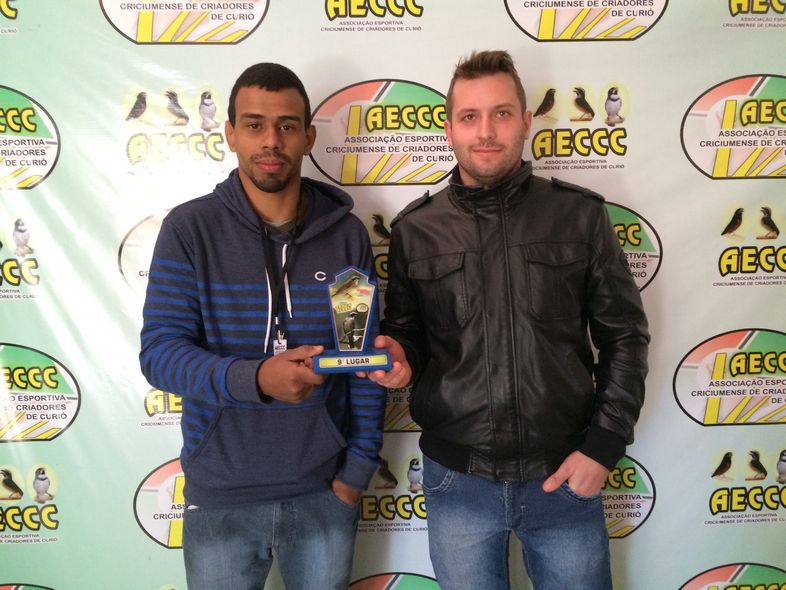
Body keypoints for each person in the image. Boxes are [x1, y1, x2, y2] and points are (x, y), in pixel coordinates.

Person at [366, 50, 649, 590]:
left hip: (565, 475)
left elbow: (626, 337)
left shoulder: (580, 216)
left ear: (525, 120)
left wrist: (602, 448)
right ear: (449, 128)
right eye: (469, 116)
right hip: (457, 482)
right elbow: (408, 333)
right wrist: (399, 356)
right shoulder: (415, 230)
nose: (485, 131)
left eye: (500, 113)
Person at [139, 62, 387, 590]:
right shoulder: (189, 230)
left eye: (286, 126)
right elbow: (159, 354)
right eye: (254, 125)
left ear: (308, 137)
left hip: (323, 493)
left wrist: (355, 474)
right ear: (230, 133)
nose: (271, 140)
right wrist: (255, 379)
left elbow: (361, 356)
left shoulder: (346, 237)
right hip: (221, 497)